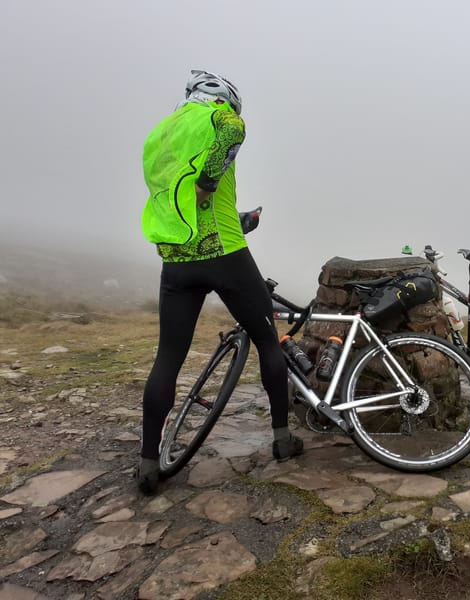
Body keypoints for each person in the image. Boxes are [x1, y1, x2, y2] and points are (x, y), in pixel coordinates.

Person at [137, 69, 303, 495]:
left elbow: (184, 199)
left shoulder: (160, 135)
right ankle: (283, 440)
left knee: (167, 358)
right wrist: (211, 181)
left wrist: (240, 215)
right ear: (222, 97)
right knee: (268, 342)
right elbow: (233, 130)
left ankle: (147, 463)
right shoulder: (219, 115)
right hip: (225, 254)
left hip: (177, 259)